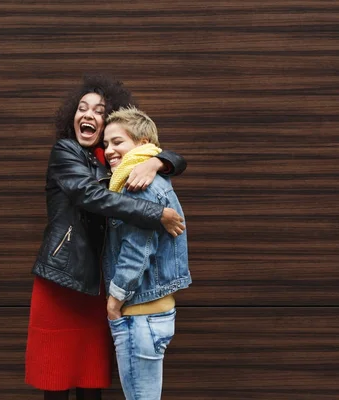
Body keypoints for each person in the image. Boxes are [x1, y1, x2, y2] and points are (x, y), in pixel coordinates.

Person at [25, 74, 188, 400]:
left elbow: (166, 154)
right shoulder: (65, 152)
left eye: (98, 110)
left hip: (96, 286)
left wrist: (158, 161)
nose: (87, 114)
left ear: (107, 121)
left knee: (91, 380)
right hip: (61, 281)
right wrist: (156, 214)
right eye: (81, 108)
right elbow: (89, 196)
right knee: (56, 380)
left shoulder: (110, 159)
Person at [102, 106, 192, 400]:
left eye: (118, 142)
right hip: (155, 311)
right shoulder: (152, 178)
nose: (109, 150)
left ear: (142, 145)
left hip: (140, 315)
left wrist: (115, 301)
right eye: (106, 144)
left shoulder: (137, 185)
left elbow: (136, 251)